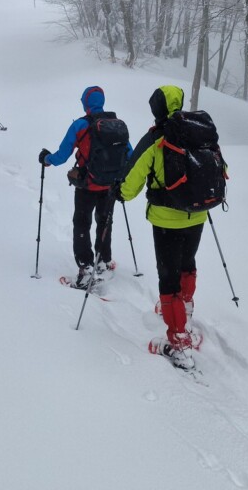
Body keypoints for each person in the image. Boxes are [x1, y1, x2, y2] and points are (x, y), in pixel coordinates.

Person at [118, 85, 205, 369]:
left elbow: (133, 180)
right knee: (187, 264)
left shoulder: (156, 137)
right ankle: (186, 312)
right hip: (198, 214)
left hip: (166, 218)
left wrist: (120, 193)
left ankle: (178, 343)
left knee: (168, 278)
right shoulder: (198, 129)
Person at [38, 86, 131, 287]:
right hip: (110, 186)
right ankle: (104, 260)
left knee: (82, 223)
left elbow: (62, 155)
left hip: (87, 185)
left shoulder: (81, 125)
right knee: (105, 222)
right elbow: (129, 154)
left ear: (85, 103)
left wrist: (47, 159)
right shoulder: (117, 125)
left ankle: (86, 267)